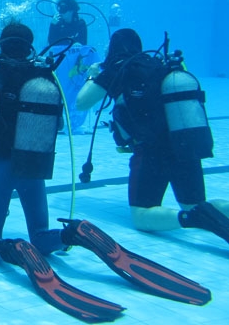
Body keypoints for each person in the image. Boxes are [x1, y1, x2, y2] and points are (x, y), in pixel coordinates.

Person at [76, 28, 229, 244]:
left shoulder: (118, 69)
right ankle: (200, 214)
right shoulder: (159, 65)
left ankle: (193, 219)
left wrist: (93, 74)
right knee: (196, 204)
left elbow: (81, 103)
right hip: (184, 144)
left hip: (152, 152)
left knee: (142, 215)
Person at [0, 21, 69, 254]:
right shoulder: (43, 77)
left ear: (1, 45)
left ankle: (10, 252)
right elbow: (58, 125)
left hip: (0, 162)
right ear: (30, 48)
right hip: (34, 163)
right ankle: (71, 235)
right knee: (40, 235)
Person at [46, 0, 98, 134]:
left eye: (64, 10)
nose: (61, 13)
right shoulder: (57, 23)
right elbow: (51, 42)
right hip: (61, 62)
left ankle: (76, 121)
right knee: (61, 89)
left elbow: (84, 44)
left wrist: (77, 47)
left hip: (75, 63)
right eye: (59, 10)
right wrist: (53, 25)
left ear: (72, 10)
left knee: (75, 88)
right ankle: (60, 120)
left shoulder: (80, 23)